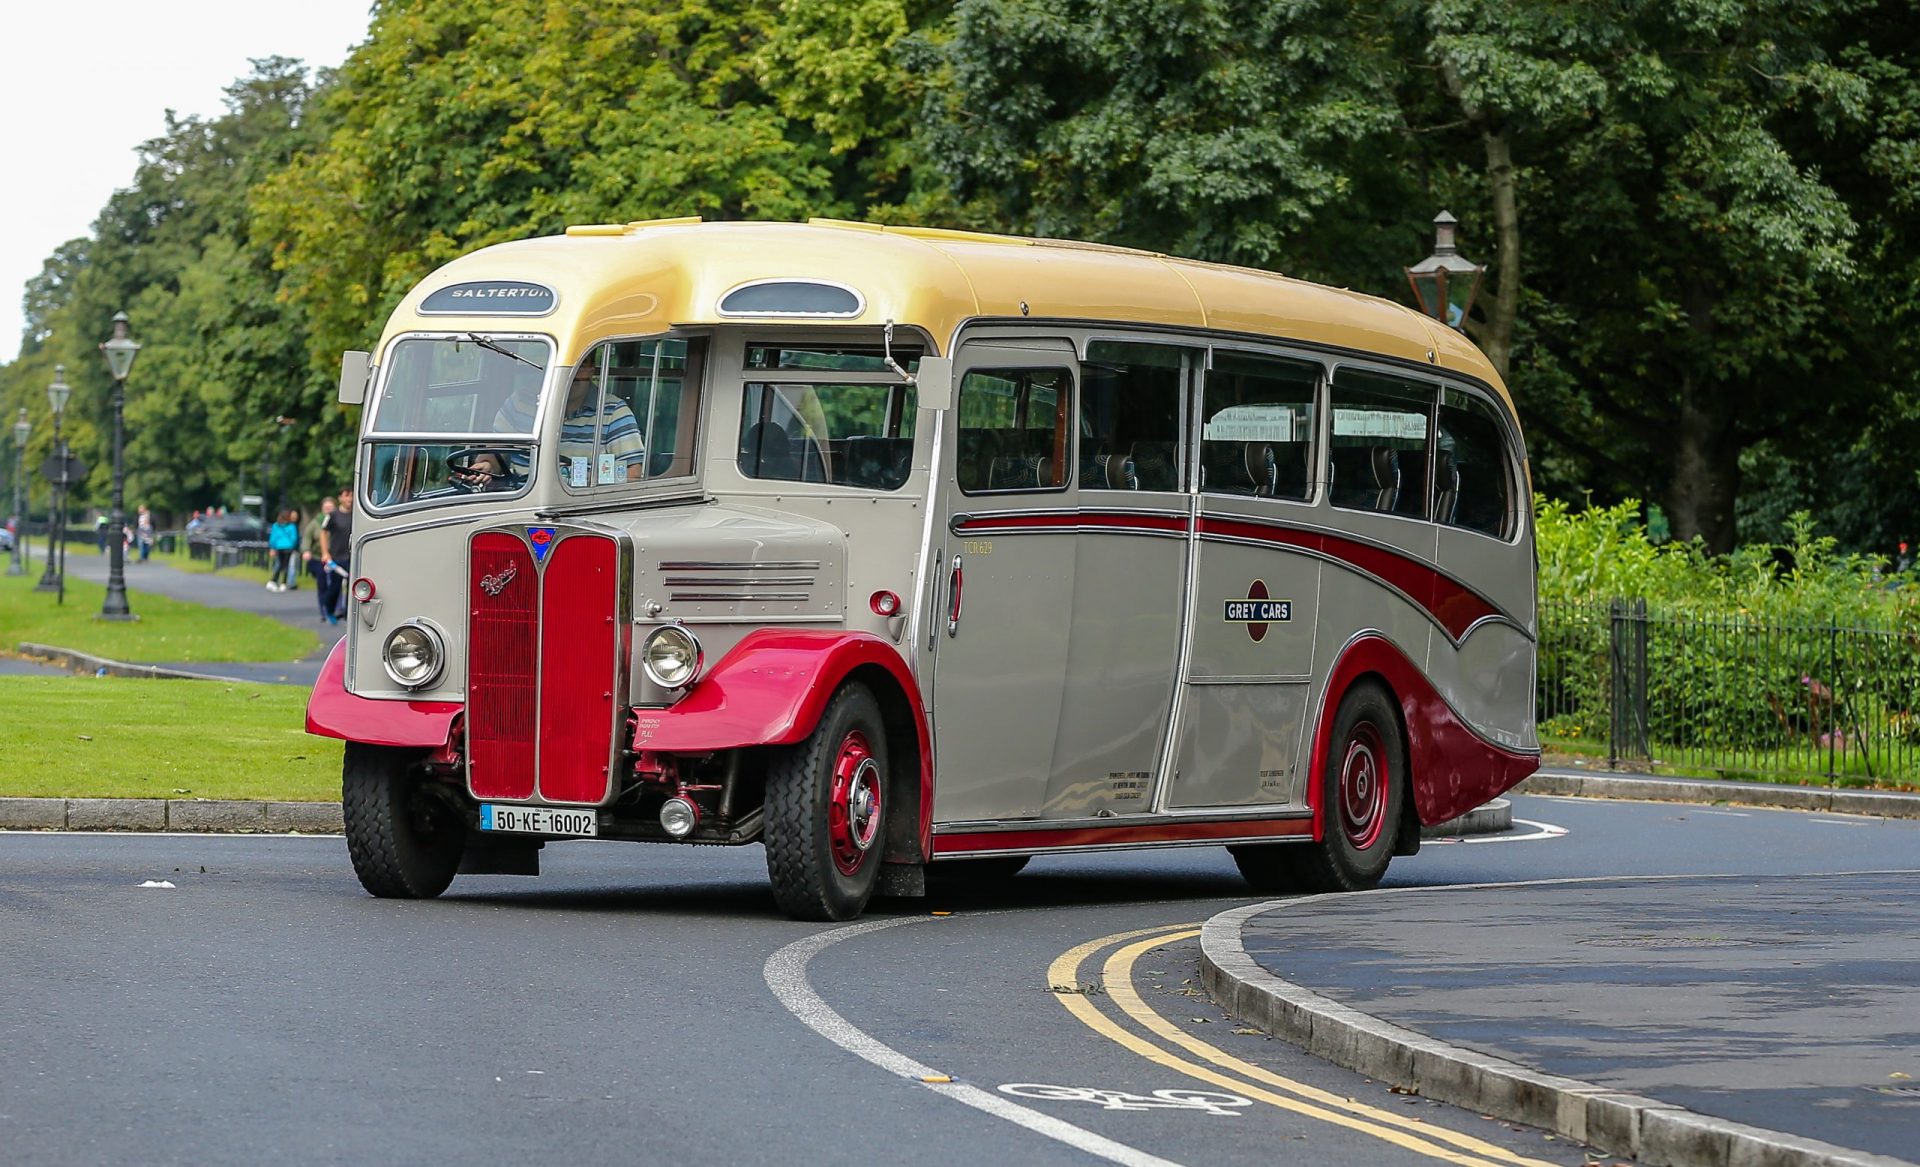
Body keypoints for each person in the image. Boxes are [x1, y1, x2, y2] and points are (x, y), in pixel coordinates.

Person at [450, 364, 645, 490]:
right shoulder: (521, 401)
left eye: (579, 369)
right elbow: (493, 453)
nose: (569, 377)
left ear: (591, 369)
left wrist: (580, 478)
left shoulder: (613, 411)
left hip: (584, 504)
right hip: (519, 497)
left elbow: (633, 474)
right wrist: (487, 466)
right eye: (563, 369)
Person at [318, 488, 354, 624]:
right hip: (337, 556)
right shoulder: (333, 515)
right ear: (340, 498)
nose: (349, 499)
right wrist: (325, 552)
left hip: (352, 556)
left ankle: (347, 614)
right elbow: (323, 532)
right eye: (346, 496)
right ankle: (329, 610)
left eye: (351, 496)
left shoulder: (357, 514)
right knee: (335, 586)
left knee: (352, 587)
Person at [304, 497, 335, 619]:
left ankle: (334, 609)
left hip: (335, 557)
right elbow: (307, 537)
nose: (328, 510)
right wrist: (306, 551)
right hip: (319, 557)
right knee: (322, 583)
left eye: (330, 508)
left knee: (334, 584)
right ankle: (323, 608)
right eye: (326, 508)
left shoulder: (338, 519)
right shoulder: (315, 523)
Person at [267, 509, 300, 592]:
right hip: (288, 547)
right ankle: (283, 583)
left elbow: (273, 537)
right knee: (286, 565)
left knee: (279, 564)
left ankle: (274, 580)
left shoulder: (276, 525)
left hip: (279, 547)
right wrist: (292, 545)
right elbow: (294, 538)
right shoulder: (291, 526)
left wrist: (272, 547)